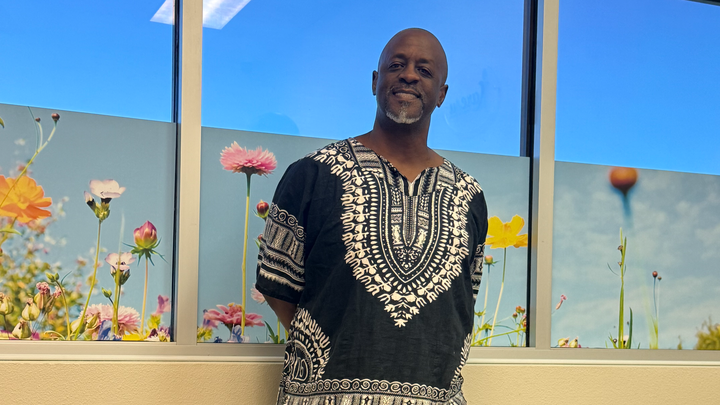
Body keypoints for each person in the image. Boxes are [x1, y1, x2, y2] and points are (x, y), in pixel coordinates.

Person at [256, 28, 488, 405]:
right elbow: (277, 286)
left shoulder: (469, 195)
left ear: (442, 94)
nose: (409, 75)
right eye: (396, 65)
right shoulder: (312, 175)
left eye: (424, 70)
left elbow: (462, 301)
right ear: (375, 81)